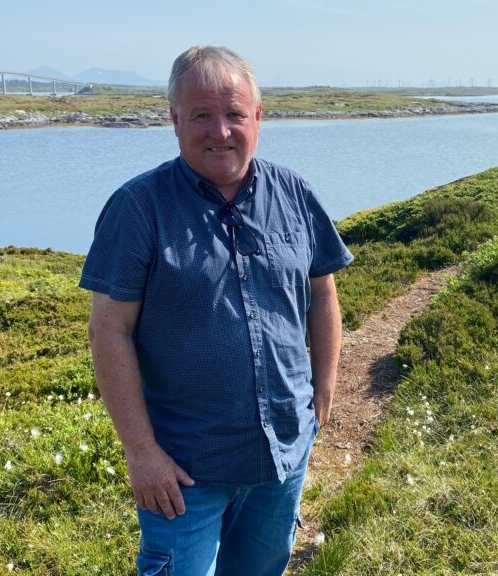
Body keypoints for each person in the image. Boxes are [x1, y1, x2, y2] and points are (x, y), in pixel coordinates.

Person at [80, 45, 353, 576]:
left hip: (282, 454)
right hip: (184, 470)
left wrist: (322, 391)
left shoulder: (294, 193)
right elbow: (108, 329)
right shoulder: (138, 208)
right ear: (175, 120)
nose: (220, 131)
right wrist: (141, 453)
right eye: (202, 115)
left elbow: (323, 292)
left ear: (258, 117)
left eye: (233, 114)